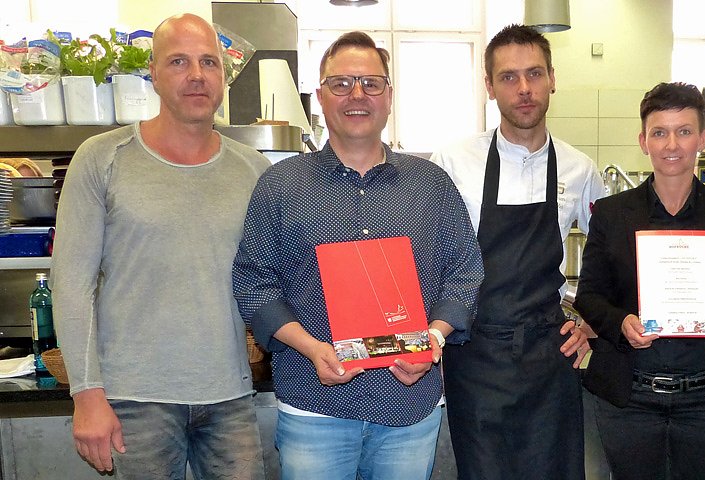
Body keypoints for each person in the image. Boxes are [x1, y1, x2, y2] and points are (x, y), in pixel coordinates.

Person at [231, 31, 483, 480]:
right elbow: (254, 283)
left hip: (409, 406)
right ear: (320, 97)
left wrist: (434, 339)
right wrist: (311, 348)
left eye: (371, 83)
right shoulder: (280, 185)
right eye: (341, 83)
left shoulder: (431, 185)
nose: (357, 95)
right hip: (314, 406)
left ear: (389, 97)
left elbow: (465, 273)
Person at [51, 13, 268, 479]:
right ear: (152, 72)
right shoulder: (102, 158)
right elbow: (71, 284)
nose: (196, 75)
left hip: (230, 396)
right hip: (134, 400)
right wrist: (87, 394)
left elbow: (277, 277)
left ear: (223, 75)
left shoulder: (253, 169)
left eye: (209, 62)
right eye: (178, 61)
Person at [429, 23, 603, 480]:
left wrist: (592, 322)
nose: (523, 88)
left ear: (552, 79)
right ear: (489, 86)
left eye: (534, 74)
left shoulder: (579, 168)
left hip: (549, 356)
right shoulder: (452, 163)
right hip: (474, 356)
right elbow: (430, 260)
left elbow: (611, 255)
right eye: (508, 77)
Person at [573, 82, 705, 480]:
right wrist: (621, 322)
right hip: (630, 399)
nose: (672, 144)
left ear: (702, 138)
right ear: (644, 141)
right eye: (659, 132)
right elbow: (589, 295)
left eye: (684, 131)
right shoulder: (611, 213)